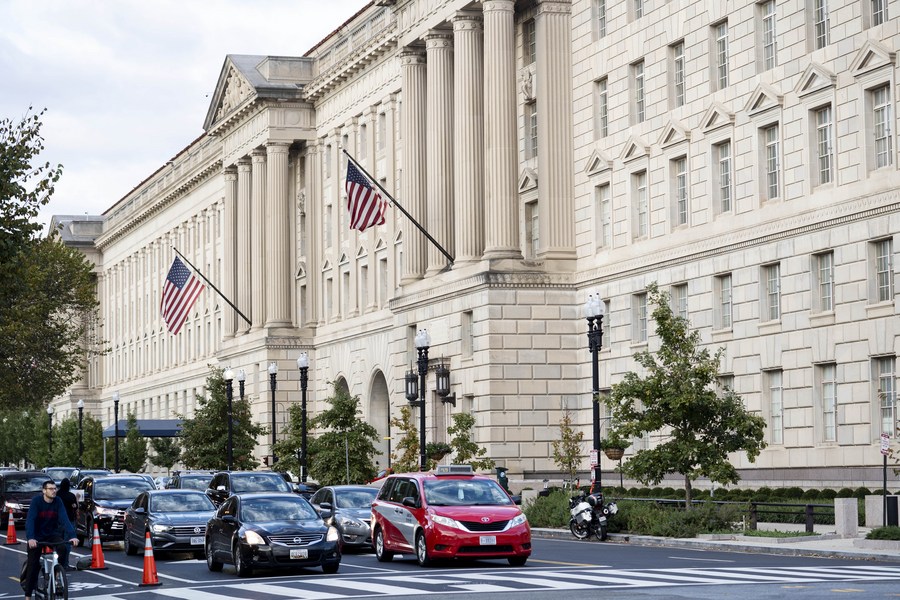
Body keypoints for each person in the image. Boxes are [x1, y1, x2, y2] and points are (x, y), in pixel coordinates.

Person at [23, 480, 79, 600]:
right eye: (51, 489)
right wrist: (31, 538)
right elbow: (30, 521)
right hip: (36, 536)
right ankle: (27, 596)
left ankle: (57, 575)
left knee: (63, 548)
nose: (54, 491)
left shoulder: (58, 501)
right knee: (33, 565)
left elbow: (65, 519)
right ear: (44, 491)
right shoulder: (36, 502)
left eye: (55, 488)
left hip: (51, 534)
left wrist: (73, 535)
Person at [56, 478, 78, 570]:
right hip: (69, 520)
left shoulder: (57, 495)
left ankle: (58, 563)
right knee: (68, 542)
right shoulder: (71, 495)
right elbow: (75, 506)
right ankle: (65, 564)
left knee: (58, 542)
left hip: (58, 521)